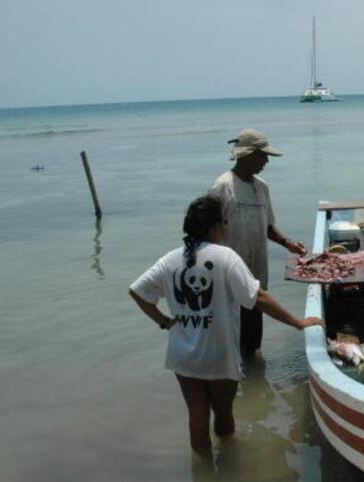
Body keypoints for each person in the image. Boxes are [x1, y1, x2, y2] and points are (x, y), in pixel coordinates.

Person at [129, 195, 322, 463]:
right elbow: (258, 298)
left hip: (182, 356)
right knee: (223, 413)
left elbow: (137, 291)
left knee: (197, 418)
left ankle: (206, 476)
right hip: (218, 354)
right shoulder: (225, 257)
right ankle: (229, 464)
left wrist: (164, 321)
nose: (227, 226)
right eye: (224, 221)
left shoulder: (169, 260)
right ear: (213, 227)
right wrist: (298, 322)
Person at [209, 128, 307, 356]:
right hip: (228, 273)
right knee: (232, 332)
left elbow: (267, 227)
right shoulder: (223, 187)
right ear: (246, 155)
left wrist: (288, 244)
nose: (266, 161)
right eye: (262, 156)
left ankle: (255, 380)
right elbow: (208, 230)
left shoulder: (262, 187)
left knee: (253, 333)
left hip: (256, 272)